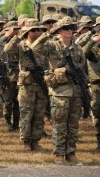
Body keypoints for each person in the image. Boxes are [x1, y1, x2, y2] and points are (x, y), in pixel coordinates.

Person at [37, 17, 86, 164]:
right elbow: (35, 49)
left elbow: (82, 66)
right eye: (65, 28)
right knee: (59, 124)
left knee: (73, 124)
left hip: (75, 91)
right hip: (59, 92)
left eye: (71, 28)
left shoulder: (77, 48)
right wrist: (48, 33)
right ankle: (59, 154)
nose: (69, 31)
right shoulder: (52, 46)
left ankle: (71, 153)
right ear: (59, 31)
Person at [4, 19, 47, 151]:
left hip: (41, 83)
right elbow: (7, 50)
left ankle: (35, 140)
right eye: (34, 30)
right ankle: (26, 141)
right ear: (27, 31)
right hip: (26, 84)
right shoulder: (21, 45)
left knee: (39, 114)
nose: (37, 32)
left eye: (39, 29)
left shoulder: (45, 44)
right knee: (26, 113)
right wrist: (18, 37)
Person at [83, 32, 100, 152]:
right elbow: (84, 52)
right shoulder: (93, 47)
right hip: (97, 84)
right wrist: (93, 40)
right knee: (98, 113)